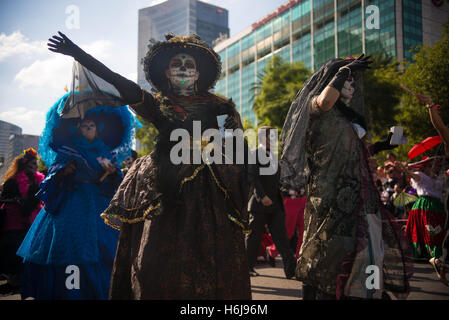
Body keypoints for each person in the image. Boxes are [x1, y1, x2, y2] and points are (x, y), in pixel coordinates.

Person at [47, 31, 252, 299]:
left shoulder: (222, 106)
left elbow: (240, 148)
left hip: (212, 188)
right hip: (161, 186)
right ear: (166, 73)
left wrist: (248, 182)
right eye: (176, 64)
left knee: (214, 256)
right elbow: (117, 82)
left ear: (199, 73)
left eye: (189, 64)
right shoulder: (155, 104)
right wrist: (79, 54)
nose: (182, 68)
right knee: (154, 259)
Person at [280, 55, 412, 300]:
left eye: (353, 80)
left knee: (367, 253)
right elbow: (325, 101)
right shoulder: (315, 105)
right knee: (332, 254)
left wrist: (382, 145)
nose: (352, 84)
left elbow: (356, 153)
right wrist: (342, 71)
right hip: (330, 197)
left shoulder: (348, 118)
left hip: (362, 196)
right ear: (331, 80)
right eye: (347, 80)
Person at [16, 93, 136, 299]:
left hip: (100, 205)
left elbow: (117, 186)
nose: (87, 129)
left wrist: (113, 173)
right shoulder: (68, 150)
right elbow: (51, 177)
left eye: (91, 126)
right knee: (70, 250)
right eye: (84, 126)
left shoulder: (107, 152)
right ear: (77, 129)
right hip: (72, 204)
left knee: (109, 249)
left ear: (98, 129)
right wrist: (64, 171)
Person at [245, 126, 296, 278]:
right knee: (254, 238)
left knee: (282, 237)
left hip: (276, 204)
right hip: (259, 204)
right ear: (262, 138)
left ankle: (291, 271)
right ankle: (247, 268)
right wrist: (262, 196)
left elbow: (277, 180)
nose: (274, 140)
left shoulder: (274, 155)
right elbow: (253, 178)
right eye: (271, 136)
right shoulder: (254, 154)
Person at [0, 148, 44, 292]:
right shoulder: (13, 181)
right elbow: (6, 198)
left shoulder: (39, 180)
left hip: (32, 221)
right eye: (31, 164)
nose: (34, 166)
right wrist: (18, 200)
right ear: (23, 165)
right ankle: (14, 279)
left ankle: (23, 279)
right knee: (15, 250)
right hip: (15, 222)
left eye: (35, 163)